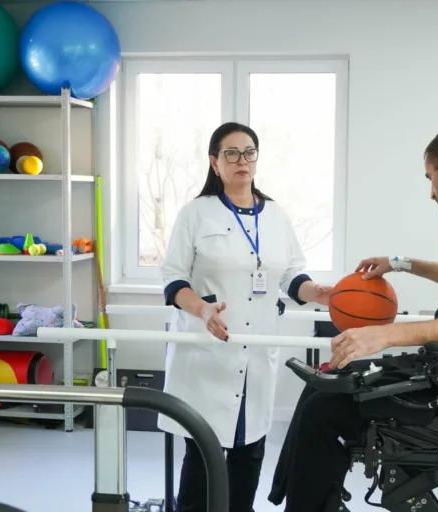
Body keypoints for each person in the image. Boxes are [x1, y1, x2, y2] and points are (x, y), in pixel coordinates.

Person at [268, 126, 438, 511]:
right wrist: (400, 263)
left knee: (322, 411)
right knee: (323, 385)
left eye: (430, 177)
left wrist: (385, 335)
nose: (431, 191)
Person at [159, 121, 331, 512]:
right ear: (214, 163)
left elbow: (291, 276)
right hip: (207, 355)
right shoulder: (195, 213)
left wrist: (319, 293)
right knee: (202, 455)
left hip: (256, 354)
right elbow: (173, 279)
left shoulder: (276, 215)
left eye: (249, 152)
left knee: (249, 453)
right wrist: (203, 309)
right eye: (232, 153)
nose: (242, 160)